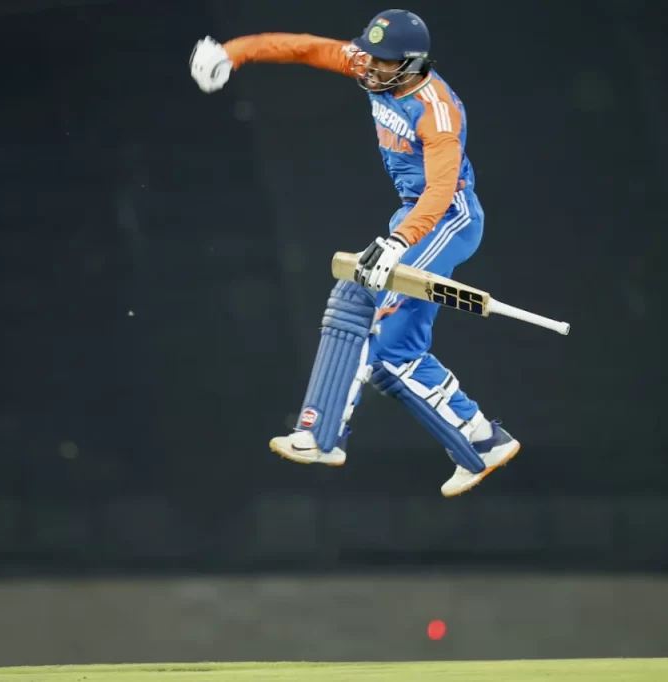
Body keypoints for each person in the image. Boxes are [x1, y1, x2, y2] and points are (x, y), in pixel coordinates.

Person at [189, 9, 520, 497]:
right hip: (410, 220)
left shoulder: (437, 110)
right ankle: (481, 439)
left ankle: (322, 434)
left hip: (448, 221)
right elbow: (302, 47)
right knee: (392, 357)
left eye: (384, 62)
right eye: (369, 54)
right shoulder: (372, 66)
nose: (369, 67)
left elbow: (443, 191)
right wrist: (232, 53)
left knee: (361, 305)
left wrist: (399, 241)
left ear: (412, 65)